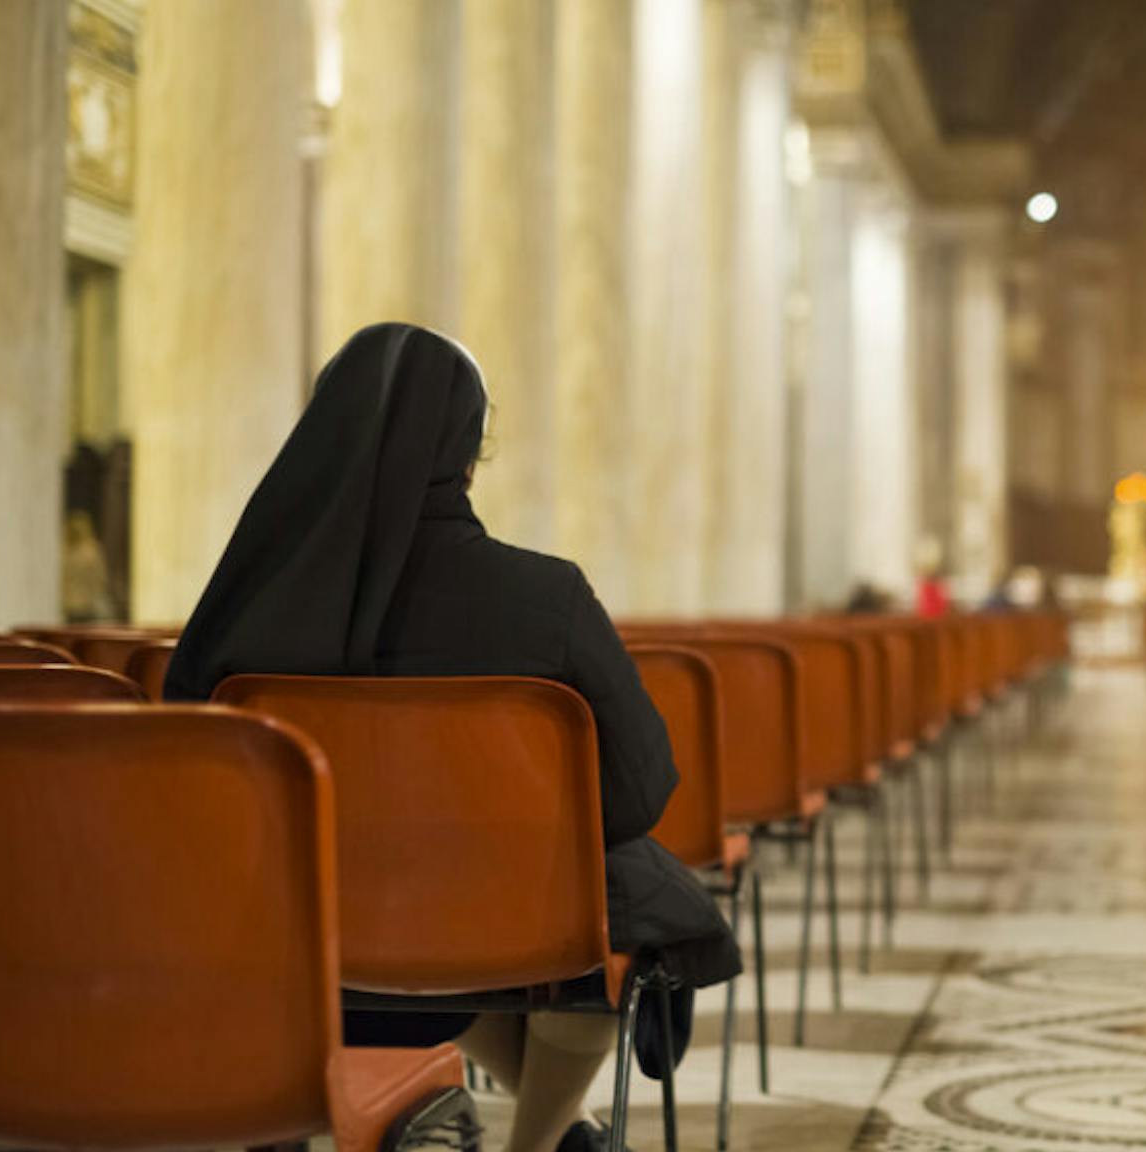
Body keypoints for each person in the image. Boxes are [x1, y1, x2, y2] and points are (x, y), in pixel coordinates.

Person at [164, 323, 739, 1152]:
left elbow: (197, 777)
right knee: (592, 908)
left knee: (446, 915)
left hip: (297, 923)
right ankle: (540, 1143)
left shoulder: (242, 606)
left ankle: (558, 1131)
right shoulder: (548, 599)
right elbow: (641, 792)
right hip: (504, 919)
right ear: (467, 457)